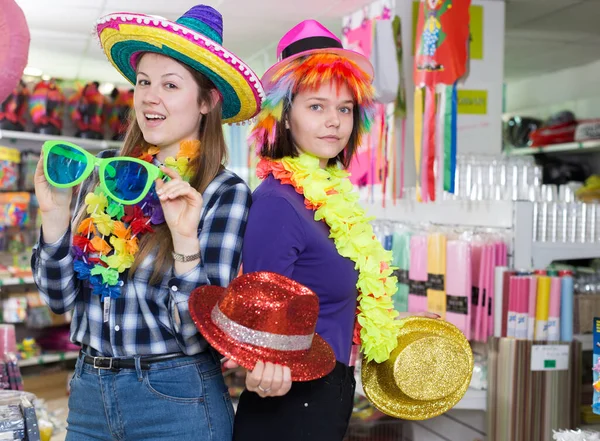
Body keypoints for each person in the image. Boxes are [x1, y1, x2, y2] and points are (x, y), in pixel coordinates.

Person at [31, 5, 263, 441]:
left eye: (170, 85)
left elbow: (201, 334)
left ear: (207, 102)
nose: (149, 97)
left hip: (177, 400)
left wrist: (184, 240)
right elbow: (58, 300)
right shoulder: (102, 173)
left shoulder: (222, 193)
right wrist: (54, 217)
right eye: (143, 82)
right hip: (87, 396)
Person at [230, 20, 437, 441]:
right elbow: (259, 306)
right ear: (284, 116)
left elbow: (333, 304)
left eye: (344, 109)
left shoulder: (326, 201)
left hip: (326, 391)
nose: (334, 122)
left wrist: (398, 327)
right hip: (291, 402)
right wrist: (258, 365)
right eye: (317, 106)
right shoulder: (279, 202)